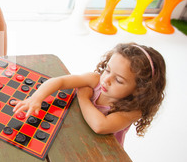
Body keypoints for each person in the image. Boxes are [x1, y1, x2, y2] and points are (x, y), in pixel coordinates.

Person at [13, 43, 166, 146]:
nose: (106, 80)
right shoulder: (95, 80)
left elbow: (100, 126)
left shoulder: (132, 111)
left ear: (140, 89)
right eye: (107, 70)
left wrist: (83, 97)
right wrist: (36, 98)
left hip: (102, 150)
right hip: (75, 133)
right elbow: (59, 82)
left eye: (118, 80)